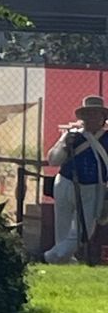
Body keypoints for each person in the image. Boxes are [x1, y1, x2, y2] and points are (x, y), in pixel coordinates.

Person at [44, 95, 108, 264]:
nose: (91, 119)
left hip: (94, 187)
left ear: (103, 118)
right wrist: (65, 145)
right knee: (62, 229)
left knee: (83, 231)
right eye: (88, 115)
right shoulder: (71, 136)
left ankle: (52, 257)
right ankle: (63, 260)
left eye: (96, 115)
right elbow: (54, 160)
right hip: (65, 182)